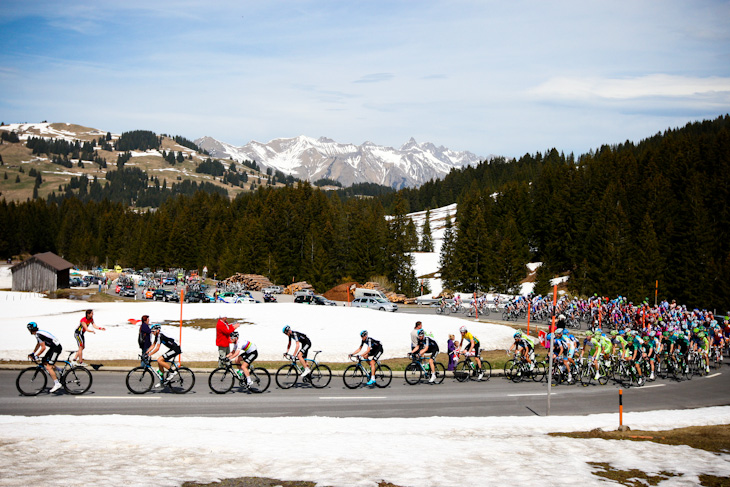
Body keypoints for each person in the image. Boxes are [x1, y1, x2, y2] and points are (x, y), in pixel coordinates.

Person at [27, 322, 63, 393]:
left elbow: (43, 348)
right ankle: (59, 370)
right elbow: (39, 344)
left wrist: (36, 356)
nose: (28, 331)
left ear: (31, 329)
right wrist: (33, 353)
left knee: (49, 367)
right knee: (44, 361)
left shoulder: (39, 335)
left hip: (56, 348)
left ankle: (57, 384)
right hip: (53, 347)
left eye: (29, 329)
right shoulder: (38, 334)